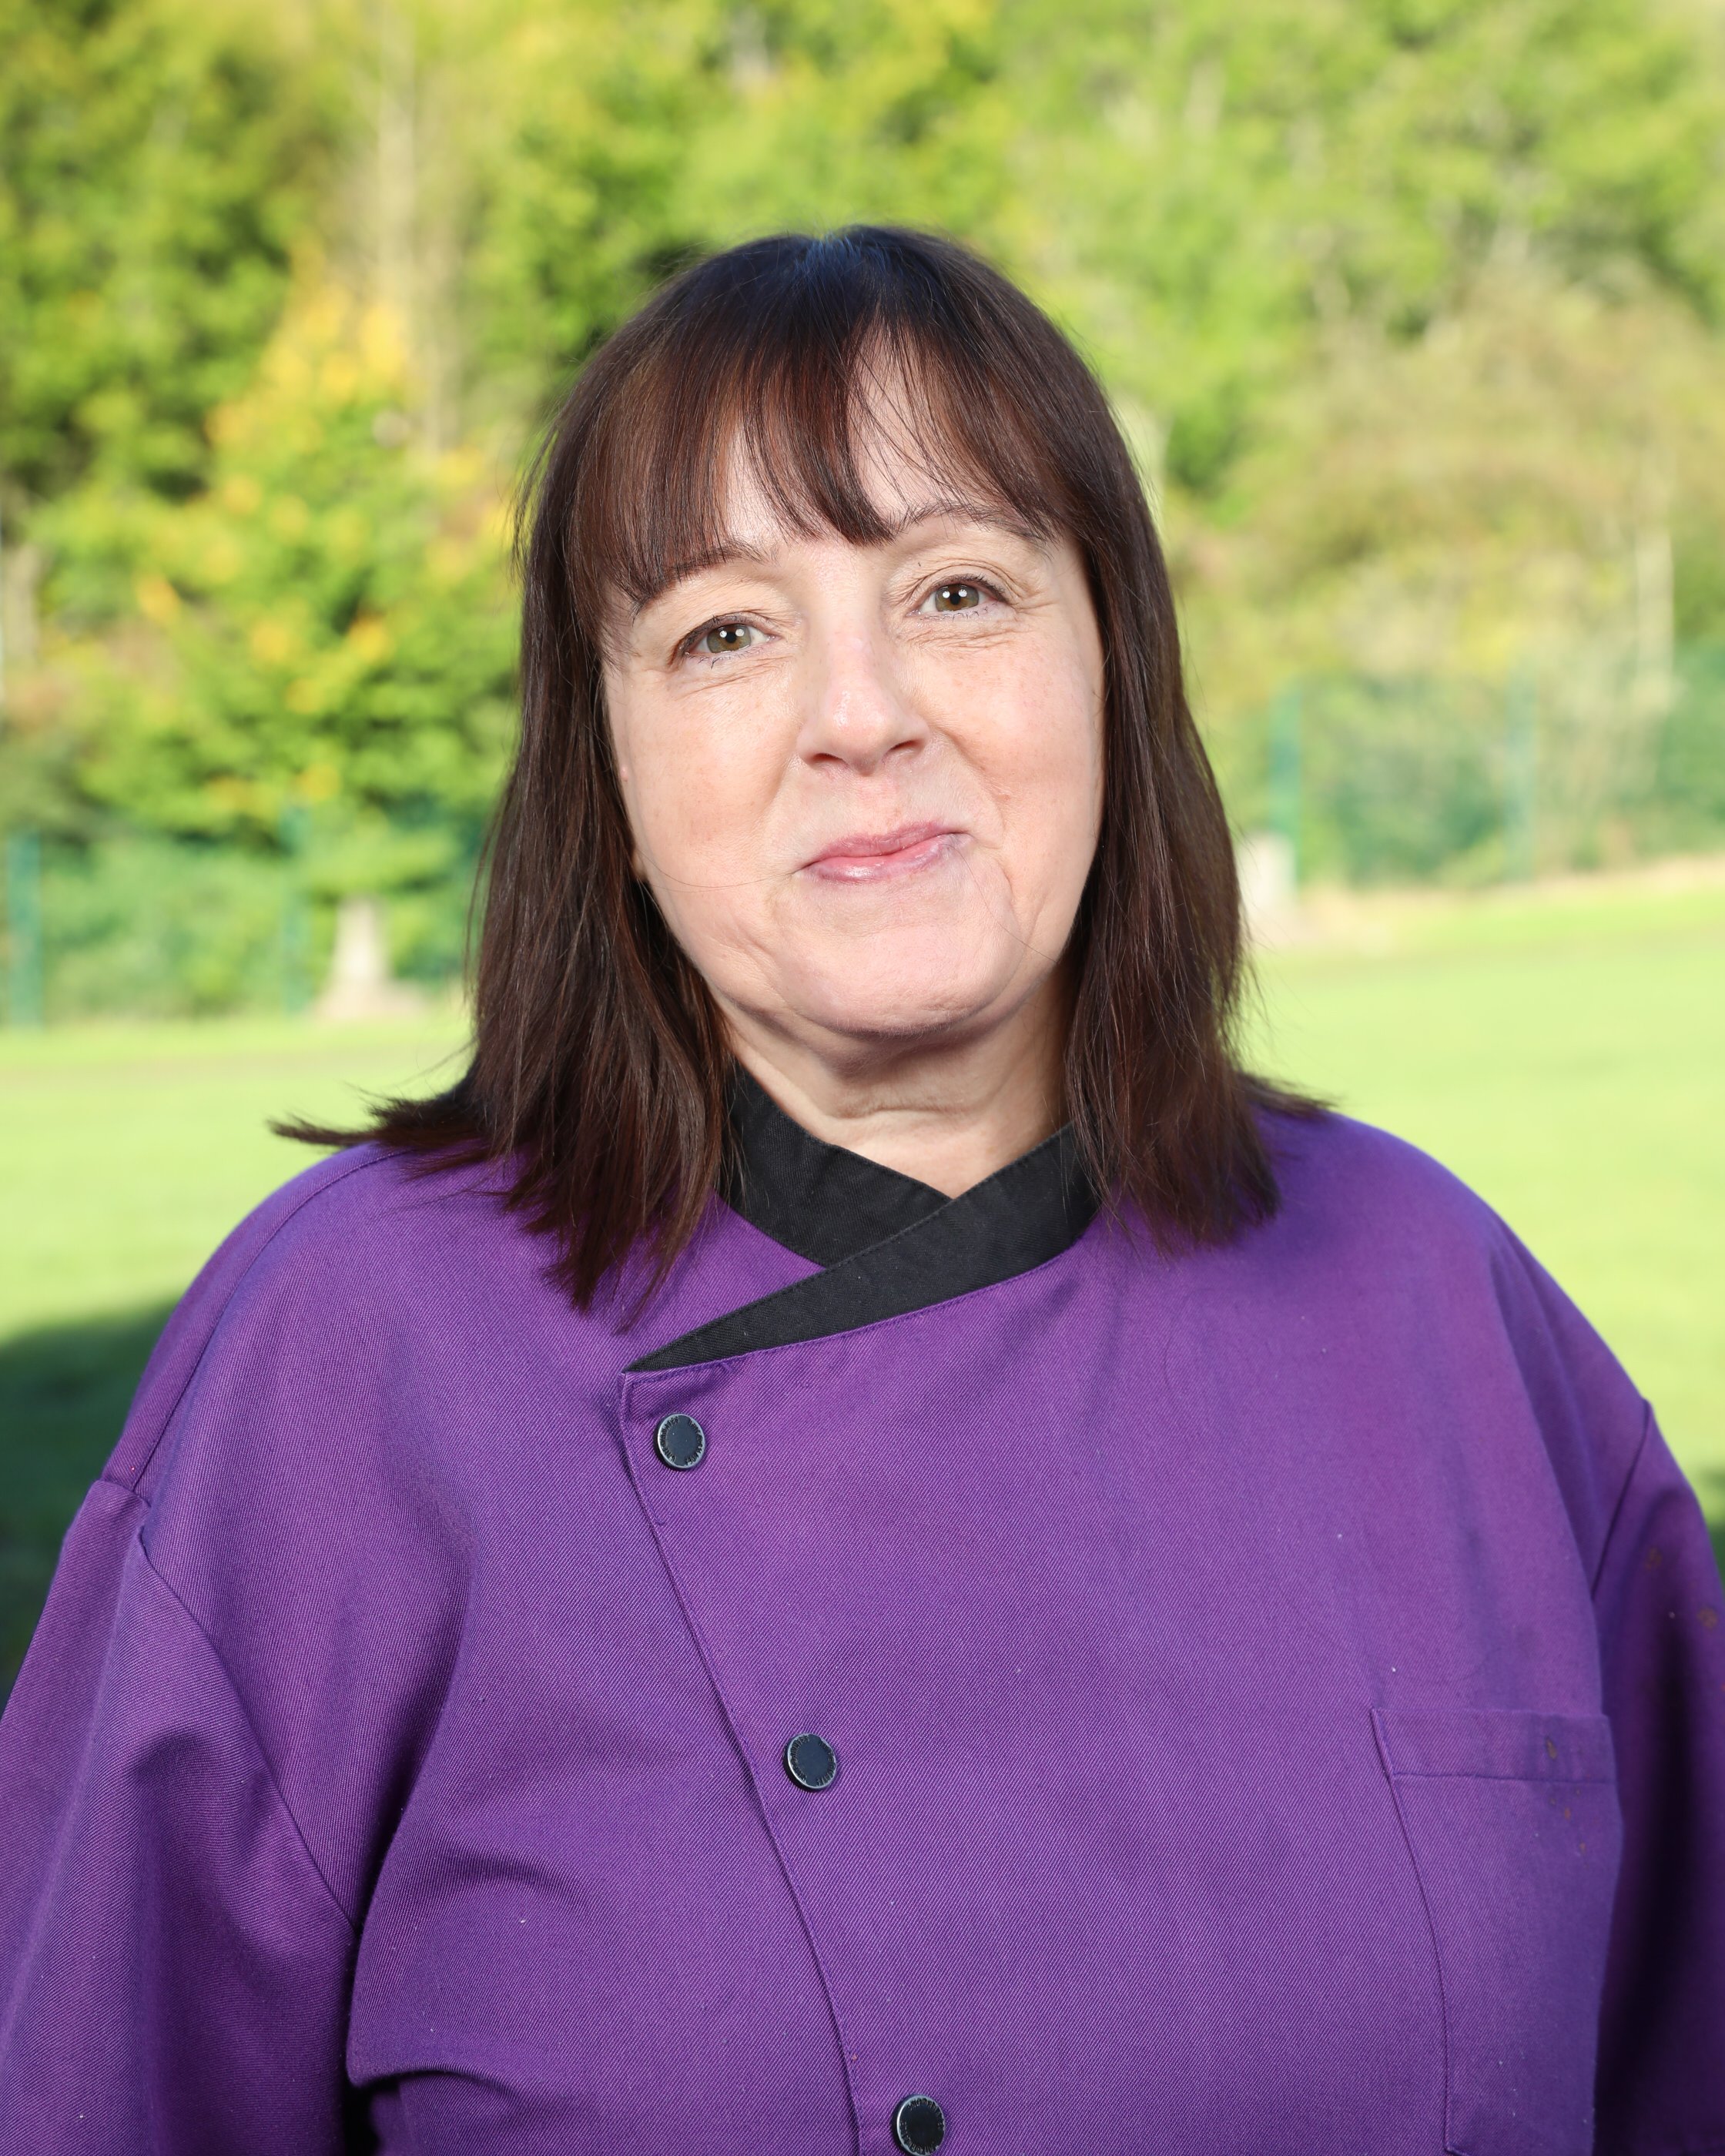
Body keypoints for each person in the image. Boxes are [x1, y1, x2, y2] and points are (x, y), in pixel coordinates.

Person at [1, 226, 1720, 2156]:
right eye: (725, 632)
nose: (861, 712)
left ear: (1116, 673)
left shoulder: (1429, 1291)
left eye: (957, 590)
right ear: (605, 783)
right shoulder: (346, 1358)